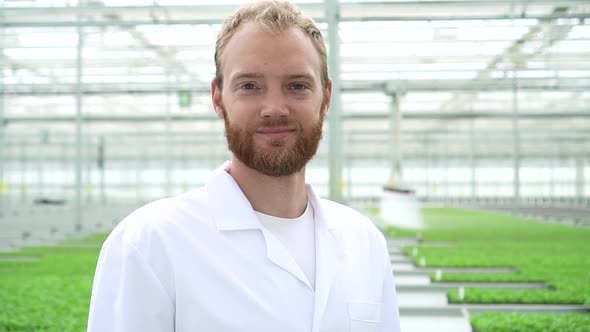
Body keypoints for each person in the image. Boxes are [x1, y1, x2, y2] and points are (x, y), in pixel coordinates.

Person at [87, 1, 401, 331]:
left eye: (297, 85)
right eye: (249, 86)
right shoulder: (150, 243)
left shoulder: (363, 241)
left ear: (325, 98)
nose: (275, 108)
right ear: (218, 98)